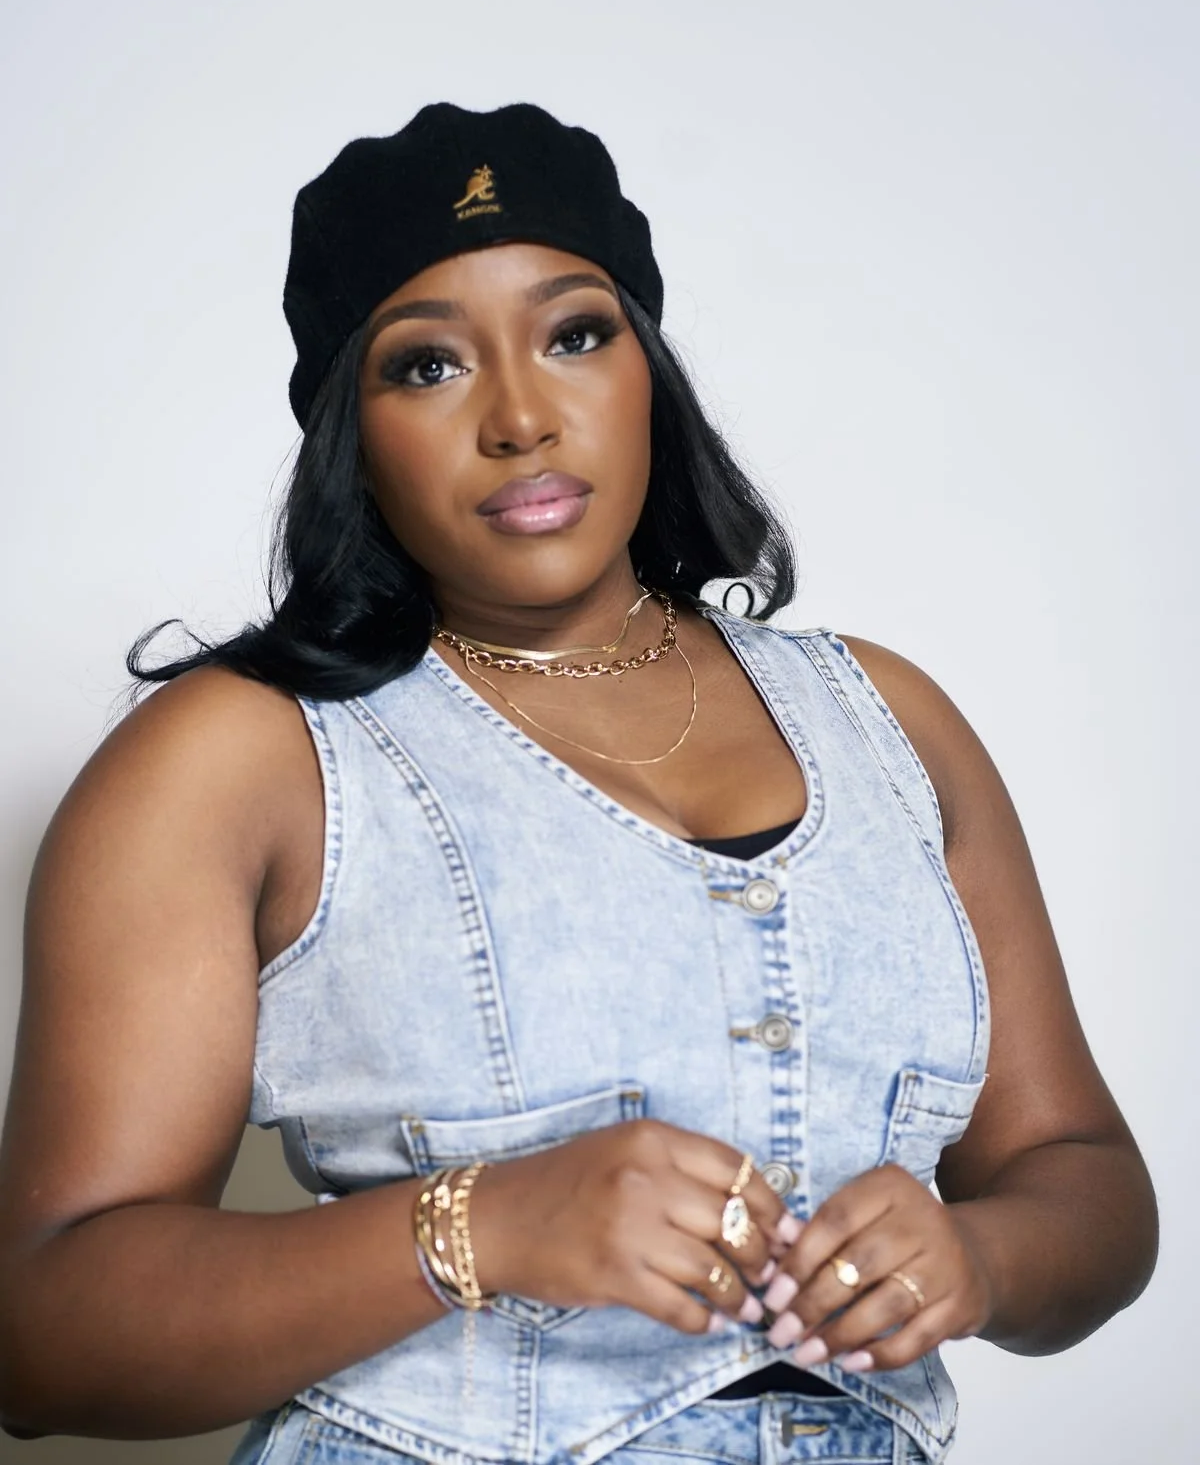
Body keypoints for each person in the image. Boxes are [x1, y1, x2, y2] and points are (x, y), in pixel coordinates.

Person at [0, 102, 1157, 1465]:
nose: (521, 418)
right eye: (425, 365)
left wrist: (985, 1250)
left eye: (577, 333)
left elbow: (1085, 1174)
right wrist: (477, 1226)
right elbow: (42, 1334)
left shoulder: (888, 721)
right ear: (346, 433)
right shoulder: (242, 759)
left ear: (647, 368)